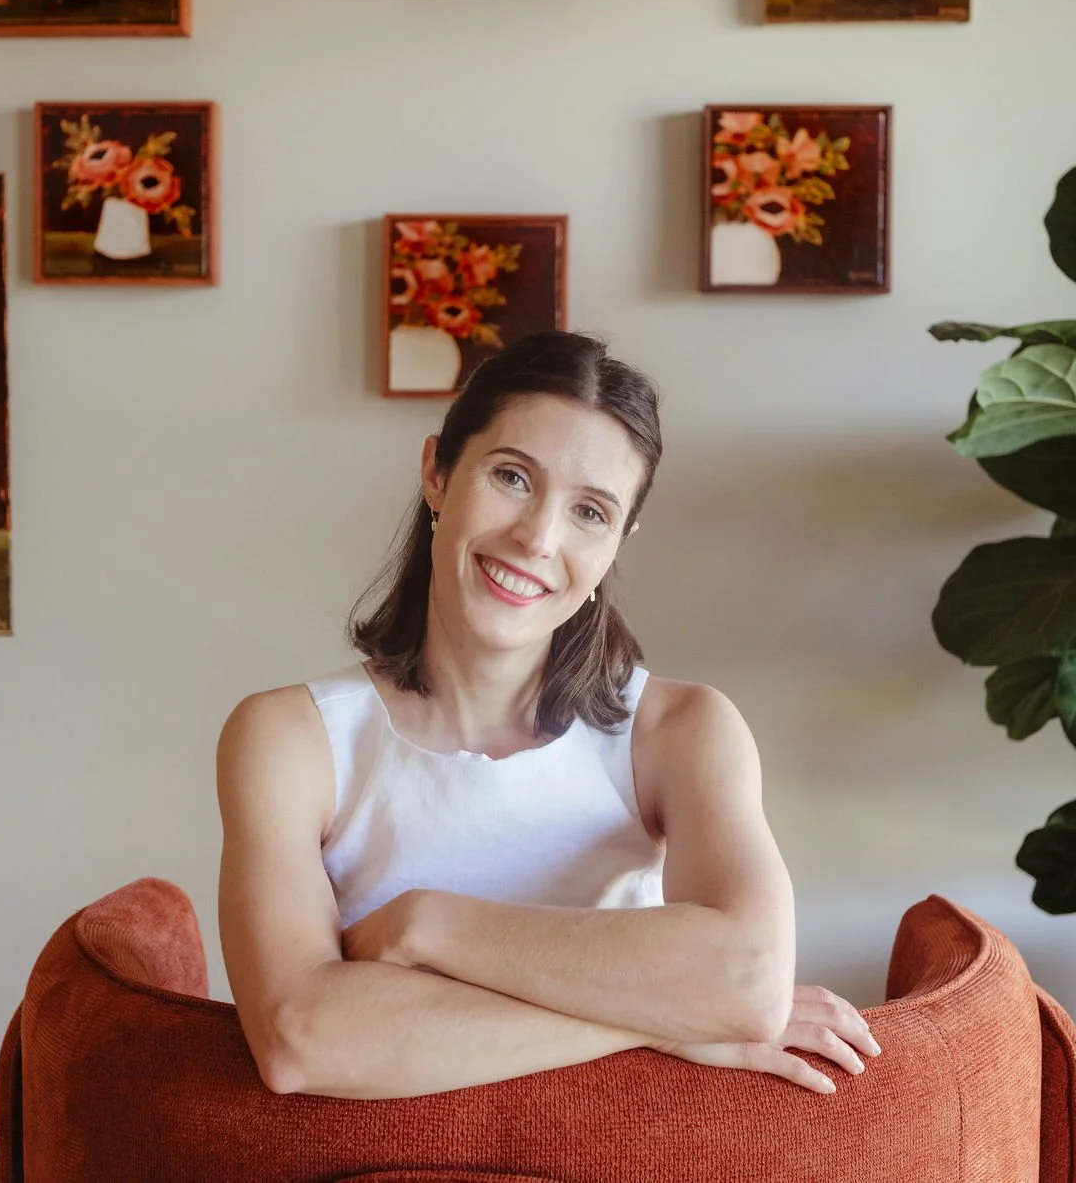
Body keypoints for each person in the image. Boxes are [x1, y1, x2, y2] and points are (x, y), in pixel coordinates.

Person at [216, 331, 881, 1100]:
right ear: (437, 473)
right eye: (510, 476)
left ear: (617, 544)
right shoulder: (289, 739)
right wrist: (661, 1019)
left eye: (590, 513)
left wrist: (428, 924)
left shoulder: (683, 730)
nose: (537, 537)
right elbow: (303, 1040)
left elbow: (750, 980)